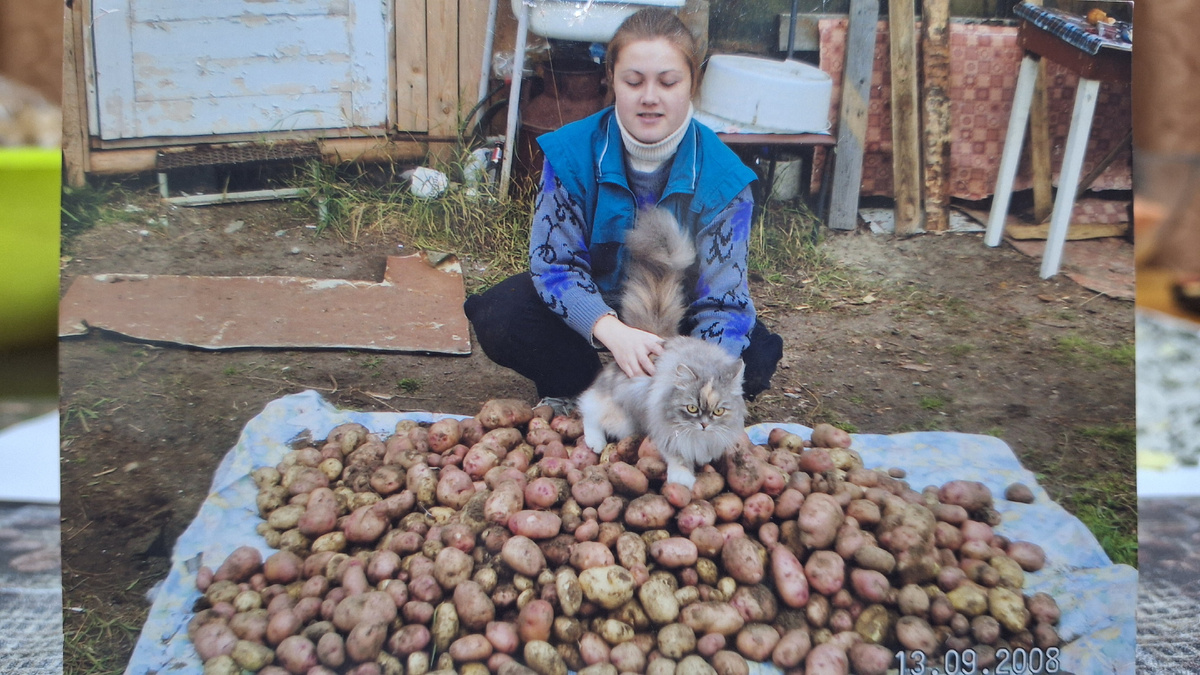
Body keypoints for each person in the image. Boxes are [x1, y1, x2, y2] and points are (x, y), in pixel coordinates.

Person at [464, 8, 783, 413]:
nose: (650, 97)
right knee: (502, 313)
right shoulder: (570, 154)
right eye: (633, 81)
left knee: (754, 356)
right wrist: (611, 330)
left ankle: (668, 402)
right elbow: (556, 267)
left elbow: (724, 302)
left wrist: (689, 380)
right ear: (610, 78)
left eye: (668, 82)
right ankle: (579, 388)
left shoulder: (726, 181)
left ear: (692, 84)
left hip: (676, 320)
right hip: (597, 308)